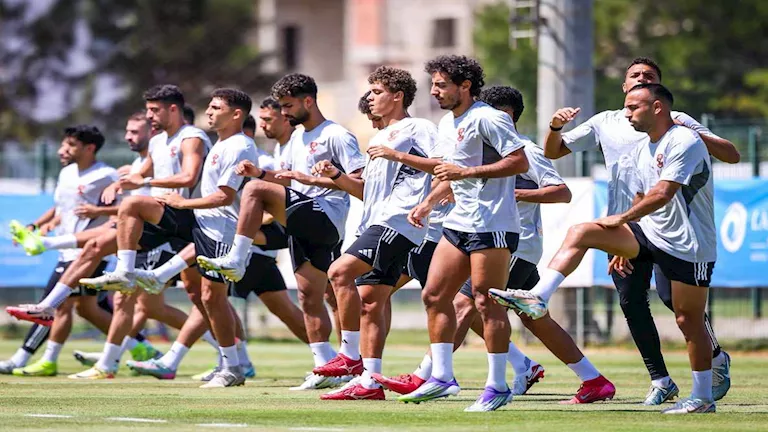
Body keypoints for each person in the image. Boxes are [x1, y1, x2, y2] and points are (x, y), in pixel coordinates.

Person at [499, 57, 737, 404]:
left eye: (648, 77)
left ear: (657, 99)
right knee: (618, 283)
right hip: (641, 227)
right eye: (633, 76)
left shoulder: (682, 132)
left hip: (685, 242)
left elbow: (671, 188)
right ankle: (659, 379)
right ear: (624, 86)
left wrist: (620, 220)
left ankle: (708, 377)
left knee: (684, 314)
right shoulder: (621, 131)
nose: (639, 80)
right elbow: (563, 155)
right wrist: (621, 234)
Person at [196, 74, 366, 390]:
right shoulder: (294, 140)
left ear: (308, 101)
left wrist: (319, 179)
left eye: (288, 106)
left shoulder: (336, 135)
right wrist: (260, 172)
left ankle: (238, 259)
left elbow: (360, 184)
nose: (284, 113)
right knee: (309, 297)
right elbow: (287, 180)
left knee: (254, 190)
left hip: (326, 216)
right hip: (301, 220)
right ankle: (326, 369)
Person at [397, 55, 529, 412]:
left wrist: (466, 174)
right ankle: (442, 377)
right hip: (459, 223)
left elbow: (519, 162)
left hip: (493, 225)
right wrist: (427, 203)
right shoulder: (447, 122)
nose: (434, 91)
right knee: (434, 295)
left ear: (465, 86)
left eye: (441, 85)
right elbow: (447, 170)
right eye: (433, 84)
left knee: (487, 303)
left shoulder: (490, 118)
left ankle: (497, 386)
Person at [309, 66, 436, 401]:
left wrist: (397, 155)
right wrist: (336, 175)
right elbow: (367, 192)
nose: (370, 98)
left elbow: (442, 164)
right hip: (376, 221)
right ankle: (370, 382)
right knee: (370, 302)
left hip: (397, 223)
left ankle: (350, 356)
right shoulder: (379, 137)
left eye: (377, 92)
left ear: (398, 96)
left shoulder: (419, 127)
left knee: (338, 272)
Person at [5, 126, 118, 377]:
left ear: (89, 148)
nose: (62, 150)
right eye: (64, 144)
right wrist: (36, 226)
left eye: (70, 145)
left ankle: (28, 359)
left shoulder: (106, 175)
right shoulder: (67, 173)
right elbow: (61, 209)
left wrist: (98, 212)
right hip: (66, 251)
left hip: (89, 252)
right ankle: (140, 348)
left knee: (56, 304)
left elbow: (122, 211)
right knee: (85, 309)